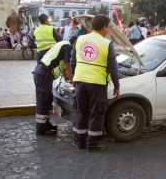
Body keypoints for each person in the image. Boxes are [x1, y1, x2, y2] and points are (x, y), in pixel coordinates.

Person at [72, 14, 120, 152]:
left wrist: (75, 78)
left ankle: (79, 141)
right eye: (108, 27)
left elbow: (73, 60)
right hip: (97, 83)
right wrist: (117, 86)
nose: (108, 30)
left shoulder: (80, 39)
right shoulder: (106, 43)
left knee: (81, 111)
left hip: (80, 81)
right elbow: (113, 67)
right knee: (96, 113)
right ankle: (92, 144)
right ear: (104, 27)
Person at [32, 39, 74, 135]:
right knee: (43, 101)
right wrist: (73, 81)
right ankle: (41, 128)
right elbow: (67, 66)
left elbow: (63, 67)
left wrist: (67, 80)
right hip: (44, 73)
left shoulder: (62, 44)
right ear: (74, 43)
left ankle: (46, 124)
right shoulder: (68, 47)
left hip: (42, 73)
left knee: (47, 99)